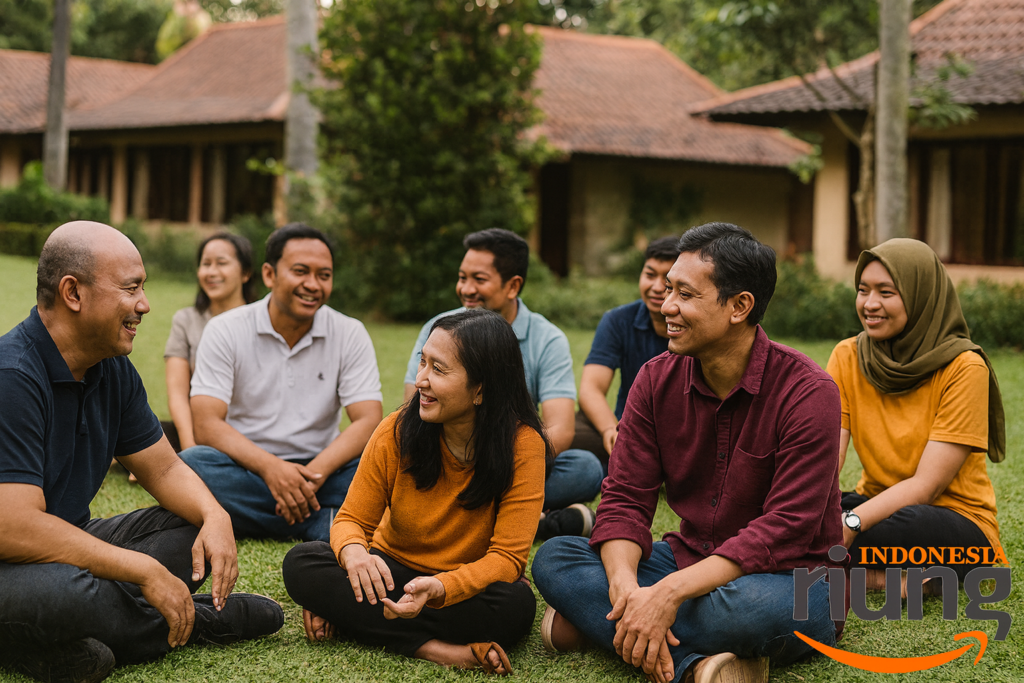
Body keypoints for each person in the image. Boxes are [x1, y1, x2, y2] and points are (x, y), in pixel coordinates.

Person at [532, 223, 843, 683]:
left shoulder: (809, 392)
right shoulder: (654, 379)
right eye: (668, 288)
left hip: (792, 578)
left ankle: (604, 624)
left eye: (685, 294)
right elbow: (624, 498)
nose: (666, 305)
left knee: (746, 610)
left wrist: (667, 594)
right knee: (556, 558)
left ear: (739, 306)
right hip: (688, 559)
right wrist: (627, 591)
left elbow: (787, 527)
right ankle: (693, 667)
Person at [0, 222, 283, 683]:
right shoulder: (12, 376)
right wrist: (144, 571)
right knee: (63, 594)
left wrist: (215, 516)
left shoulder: (111, 367)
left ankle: (54, 644)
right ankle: (192, 623)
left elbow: (166, 468)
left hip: (70, 545)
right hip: (12, 564)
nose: (145, 304)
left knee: (190, 530)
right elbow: (13, 528)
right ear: (73, 293)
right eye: (131, 288)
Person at [283, 310, 548, 674]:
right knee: (302, 563)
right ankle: (436, 650)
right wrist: (355, 555)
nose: (420, 380)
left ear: (480, 388)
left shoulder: (523, 445)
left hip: (457, 587)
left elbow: (506, 558)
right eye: (423, 362)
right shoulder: (396, 429)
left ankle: (352, 618)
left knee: (516, 606)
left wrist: (440, 587)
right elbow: (350, 520)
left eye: (439, 369)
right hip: (389, 569)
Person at [181, 223, 384, 543]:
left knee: (382, 468)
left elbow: (368, 419)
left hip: (323, 470)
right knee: (191, 464)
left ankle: (253, 518)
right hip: (248, 468)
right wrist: (272, 469)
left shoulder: (349, 332)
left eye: (324, 275)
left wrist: (310, 478)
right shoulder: (225, 329)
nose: (312, 285)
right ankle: (320, 520)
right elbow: (206, 423)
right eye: (300, 271)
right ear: (269, 274)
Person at [826, 238, 1005, 589]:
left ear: (921, 295)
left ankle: (846, 569)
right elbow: (828, 456)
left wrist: (849, 524)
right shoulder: (847, 356)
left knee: (898, 528)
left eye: (886, 292)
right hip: (875, 504)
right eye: (863, 290)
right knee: (794, 514)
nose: (870, 304)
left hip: (952, 519)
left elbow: (926, 486)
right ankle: (894, 580)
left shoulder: (964, 367)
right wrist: (809, 512)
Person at [402, 228, 603, 539]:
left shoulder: (547, 339)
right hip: (447, 459)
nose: (466, 289)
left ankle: (467, 512)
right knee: (388, 466)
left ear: (513, 286)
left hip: (511, 460)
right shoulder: (439, 328)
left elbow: (560, 430)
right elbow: (414, 406)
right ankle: (534, 520)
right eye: (462, 277)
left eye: (479, 279)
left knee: (585, 469)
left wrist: (499, 461)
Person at [572, 236, 680, 467]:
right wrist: (611, 431)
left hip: (682, 436)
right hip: (628, 428)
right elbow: (591, 389)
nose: (657, 287)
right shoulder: (618, 320)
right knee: (569, 430)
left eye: (667, 280)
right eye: (650, 275)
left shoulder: (697, 326)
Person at [164, 232, 257, 452]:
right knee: (140, 434)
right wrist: (190, 449)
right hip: (198, 430)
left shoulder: (262, 321)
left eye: (221, 263)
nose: (211, 272)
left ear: (245, 273)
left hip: (252, 433)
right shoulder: (186, 320)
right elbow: (178, 394)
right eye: (206, 264)